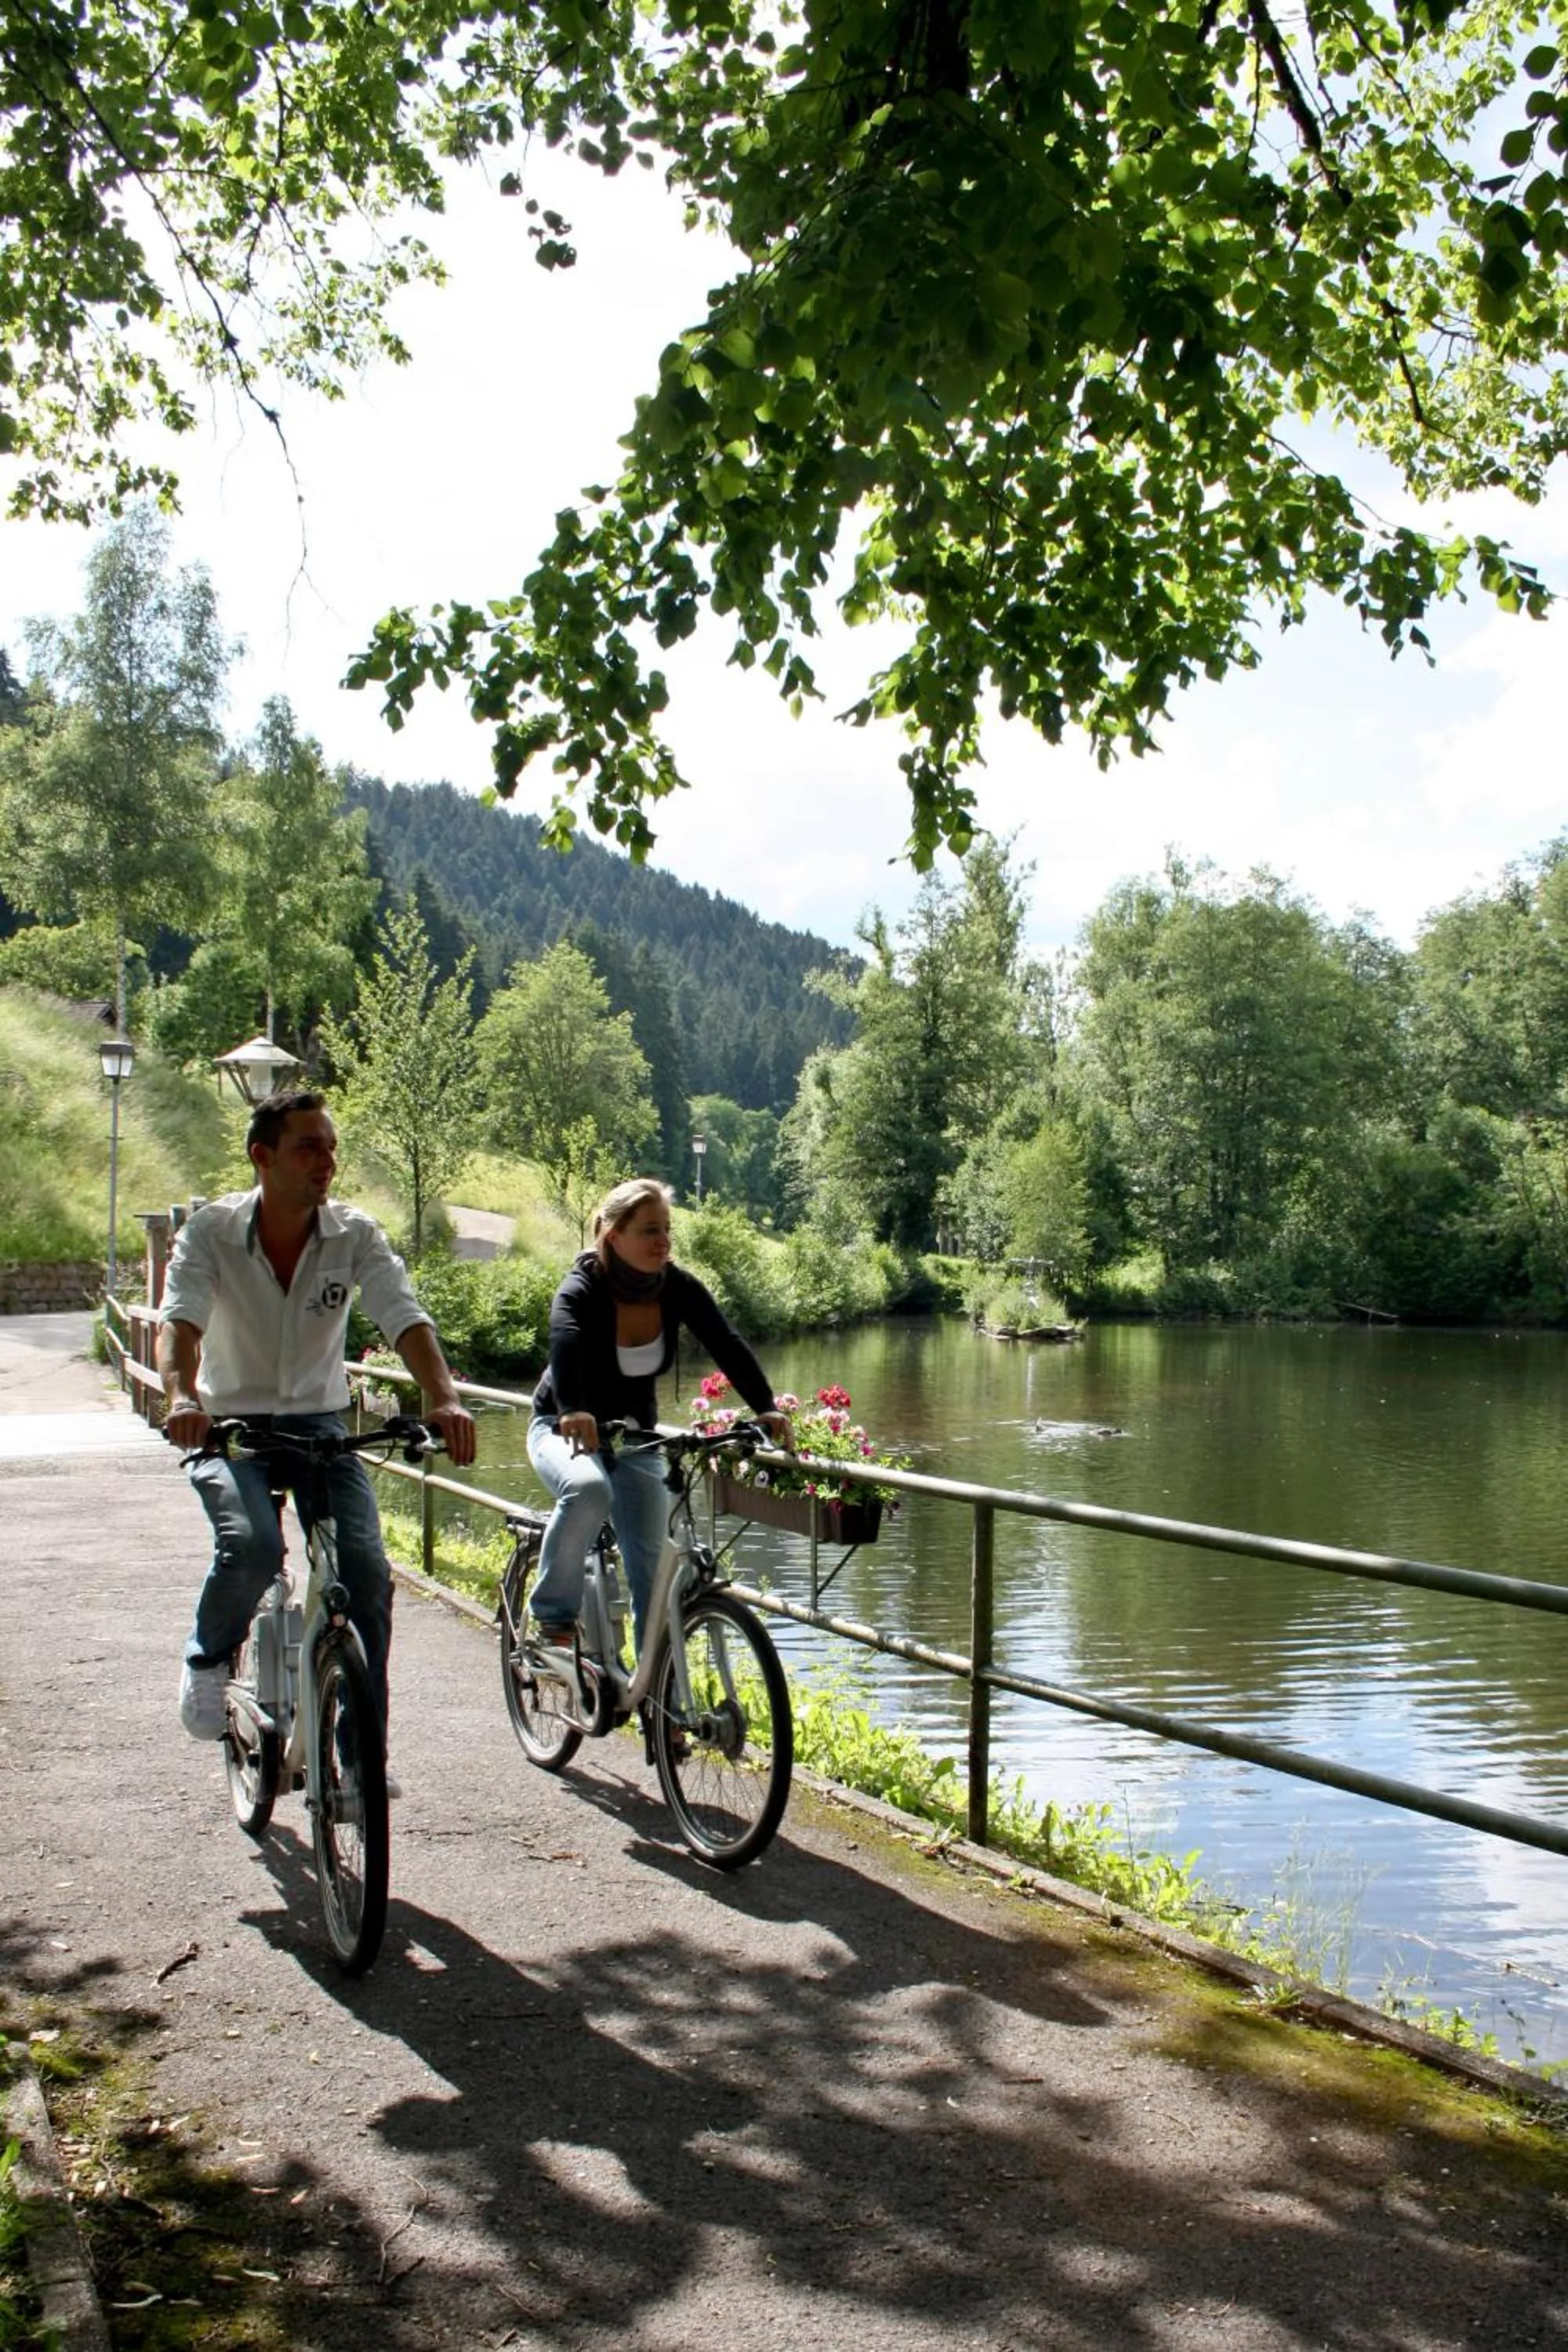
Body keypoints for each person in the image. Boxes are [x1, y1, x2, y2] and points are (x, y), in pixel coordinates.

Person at [157, 1088, 477, 1762]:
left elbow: (403, 1315)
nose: (326, 1161)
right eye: (309, 1147)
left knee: (365, 1572)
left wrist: (442, 1397)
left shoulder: (354, 1233)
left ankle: (361, 1757)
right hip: (228, 1423)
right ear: (261, 1156)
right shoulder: (210, 1232)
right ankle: (208, 1659)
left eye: (331, 1147)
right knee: (250, 1549)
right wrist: (183, 1396)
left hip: (319, 1425)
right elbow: (180, 1322)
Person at [527, 1176, 793, 1650]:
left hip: (634, 1437)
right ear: (614, 1236)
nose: (664, 1241)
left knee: (654, 1567)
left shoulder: (676, 1287)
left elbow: (725, 1343)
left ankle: (663, 1701)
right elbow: (563, 1337)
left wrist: (766, 1409)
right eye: (650, 1230)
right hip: (562, 1428)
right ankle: (553, 1621)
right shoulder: (583, 1286)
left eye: (667, 1229)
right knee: (588, 1490)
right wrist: (572, 1409)